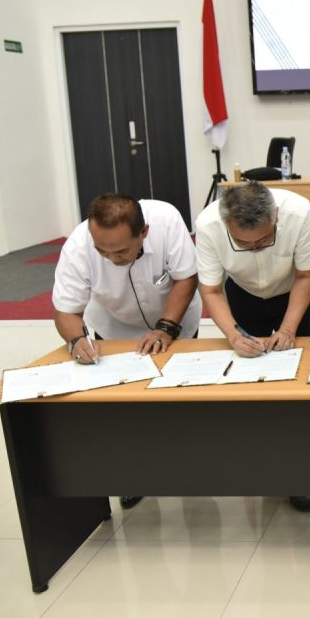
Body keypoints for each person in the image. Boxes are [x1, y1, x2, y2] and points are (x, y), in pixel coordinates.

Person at [52, 194, 202, 510]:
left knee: (182, 403)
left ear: (143, 232)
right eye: (102, 251)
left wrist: (166, 327)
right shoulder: (78, 245)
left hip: (175, 323)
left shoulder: (166, 221)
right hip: (113, 328)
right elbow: (65, 310)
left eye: (121, 251)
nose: (111, 258)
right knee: (124, 412)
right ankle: (135, 477)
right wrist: (77, 341)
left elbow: (186, 278)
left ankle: (191, 468)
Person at [195, 181, 310, 513]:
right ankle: (260, 466)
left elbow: (306, 275)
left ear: (275, 216)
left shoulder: (299, 212)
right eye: (242, 243)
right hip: (243, 294)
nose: (254, 249)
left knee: (295, 383)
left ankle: (299, 475)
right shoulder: (208, 224)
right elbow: (211, 290)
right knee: (249, 383)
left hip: (292, 293)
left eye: (263, 240)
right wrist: (233, 334)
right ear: (227, 224)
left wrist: (289, 328)